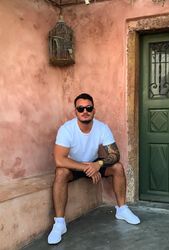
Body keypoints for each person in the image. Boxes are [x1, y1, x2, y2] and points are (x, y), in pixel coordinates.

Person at [48, 93, 140, 245]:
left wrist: (98, 165)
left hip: (93, 163)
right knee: (60, 172)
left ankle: (122, 209)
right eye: (81, 108)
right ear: (75, 111)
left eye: (89, 108)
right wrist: (86, 167)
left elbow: (115, 154)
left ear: (94, 110)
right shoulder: (67, 129)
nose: (85, 111)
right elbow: (59, 160)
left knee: (117, 167)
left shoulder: (102, 128)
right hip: (75, 165)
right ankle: (59, 224)